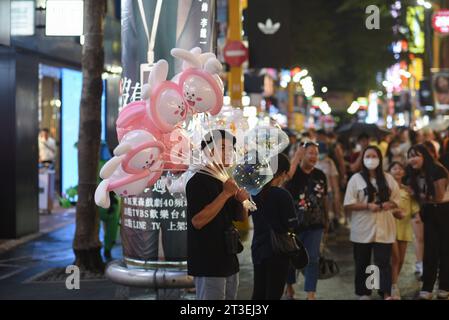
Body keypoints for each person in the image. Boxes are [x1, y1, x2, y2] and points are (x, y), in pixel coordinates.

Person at [185, 129, 249, 300]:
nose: (228, 152)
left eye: (230, 148)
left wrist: (243, 201)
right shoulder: (197, 181)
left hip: (229, 258)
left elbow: (241, 218)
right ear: (210, 151)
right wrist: (225, 194)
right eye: (222, 147)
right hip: (208, 261)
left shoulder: (227, 180)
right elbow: (198, 221)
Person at [344, 146, 401, 300]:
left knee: (383, 262)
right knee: (362, 262)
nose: (371, 159)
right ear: (363, 159)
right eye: (367, 156)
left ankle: (386, 292)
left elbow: (397, 199)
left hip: (384, 227)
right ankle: (363, 293)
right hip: (362, 227)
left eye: (374, 156)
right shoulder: (356, 179)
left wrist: (387, 205)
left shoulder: (388, 178)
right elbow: (348, 204)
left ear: (380, 158)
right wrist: (367, 206)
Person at [285, 141, 329, 300]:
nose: (314, 156)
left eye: (316, 153)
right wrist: (296, 156)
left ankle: (311, 293)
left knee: (313, 257)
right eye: (310, 153)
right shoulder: (292, 174)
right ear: (302, 154)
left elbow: (324, 199)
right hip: (294, 224)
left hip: (316, 224)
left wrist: (327, 220)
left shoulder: (320, 175)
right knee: (291, 257)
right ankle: (289, 286)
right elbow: (285, 178)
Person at [405, 144, 449, 300]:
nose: (412, 159)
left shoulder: (438, 170)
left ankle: (444, 286)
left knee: (445, 250)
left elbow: (438, 196)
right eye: (410, 156)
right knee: (430, 251)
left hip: (444, 210)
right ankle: (427, 288)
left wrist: (415, 194)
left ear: (425, 156)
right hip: (429, 212)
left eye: (416, 155)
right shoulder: (413, 173)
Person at [251, 153, 297, 300]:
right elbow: (292, 224)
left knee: (259, 291)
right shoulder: (283, 195)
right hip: (278, 250)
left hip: (258, 248)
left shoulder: (255, 193)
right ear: (283, 173)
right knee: (274, 293)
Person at [388, 162, 420, 299]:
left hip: (405, 226)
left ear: (404, 172)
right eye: (394, 168)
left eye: (400, 168)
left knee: (400, 259)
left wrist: (417, 215)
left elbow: (414, 208)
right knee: (394, 257)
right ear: (389, 172)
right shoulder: (387, 188)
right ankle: (393, 286)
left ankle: (392, 283)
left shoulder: (407, 190)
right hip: (390, 226)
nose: (398, 171)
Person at [315, 143, 343, 228]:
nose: (322, 155)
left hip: (328, 192)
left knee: (328, 214)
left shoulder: (329, 162)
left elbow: (334, 179)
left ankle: (329, 228)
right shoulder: (312, 161)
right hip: (315, 193)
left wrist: (336, 194)